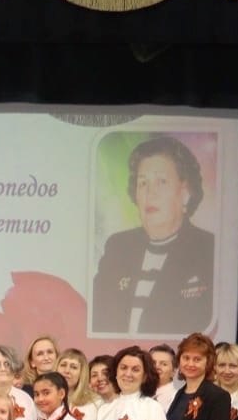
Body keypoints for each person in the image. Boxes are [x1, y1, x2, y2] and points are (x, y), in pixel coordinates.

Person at [91, 134, 215, 334]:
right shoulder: (118, 247)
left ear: (185, 193)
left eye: (161, 182)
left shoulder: (208, 249)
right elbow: (98, 318)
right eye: (143, 183)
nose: (150, 193)